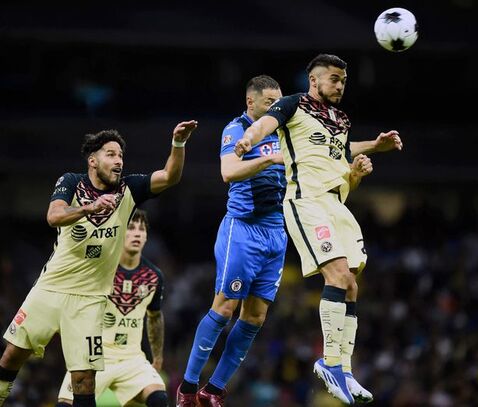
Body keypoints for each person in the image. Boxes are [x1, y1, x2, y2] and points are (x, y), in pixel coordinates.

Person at [235, 54, 402, 405]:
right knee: (338, 276)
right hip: (306, 202)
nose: (340, 85)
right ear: (314, 79)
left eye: (343, 80)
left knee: (352, 284)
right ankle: (328, 361)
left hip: (337, 204)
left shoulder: (340, 118)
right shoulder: (293, 104)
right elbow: (265, 125)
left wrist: (364, 161)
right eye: (334, 79)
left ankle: (344, 368)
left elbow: (342, 162)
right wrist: (249, 139)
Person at [0, 120, 197, 407]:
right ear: (93, 160)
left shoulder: (129, 189)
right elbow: (53, 216)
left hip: (90, 299)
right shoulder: (71, 182)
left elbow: (169, 176)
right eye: (111, 154)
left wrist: (178, 143)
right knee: (12, 354)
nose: (118, 161)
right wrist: (88, 208)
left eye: (121, 156)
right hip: (51, 288)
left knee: (84, 380)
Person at [176, 75, 287, 407]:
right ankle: (188, 387)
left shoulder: (284, 130)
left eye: (279, 103)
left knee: (255, 317)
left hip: (277, 231)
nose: (277, 108)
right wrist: (269, 159)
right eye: (270, 102)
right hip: (243, 230)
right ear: (251, 102)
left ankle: (215, 389)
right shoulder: (236, 129)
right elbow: (228, 171)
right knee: (225, 308)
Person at [56, 209, 168, 407]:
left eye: (141, 230)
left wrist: (157, 356)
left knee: (159, 398)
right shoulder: (99, 268)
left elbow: (155, 316)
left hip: (132, 358)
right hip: (94, 356)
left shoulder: (154, 276)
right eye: (131, 228)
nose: (136, 233)